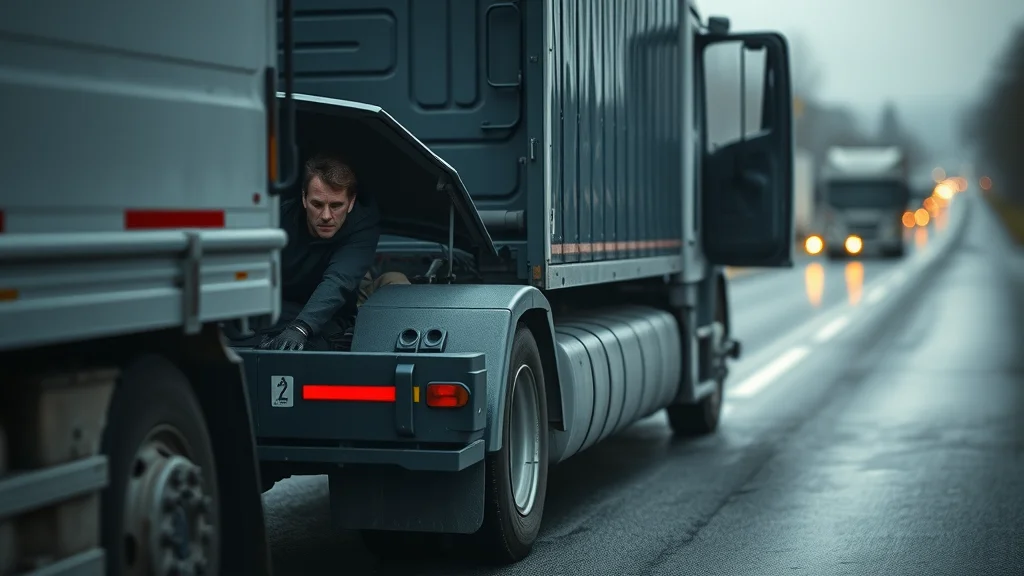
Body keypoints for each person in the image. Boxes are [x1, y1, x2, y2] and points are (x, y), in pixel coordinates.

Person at [256, 152, 410, 351]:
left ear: (351, 202)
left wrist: (301, 328)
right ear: (303, 198)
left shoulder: (363, 222)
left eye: (336, 205)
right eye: (317, 204)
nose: (326, 216)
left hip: (337, 303)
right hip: (285, 303)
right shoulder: (280, 219)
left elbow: (339, 280)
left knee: (394, 281)